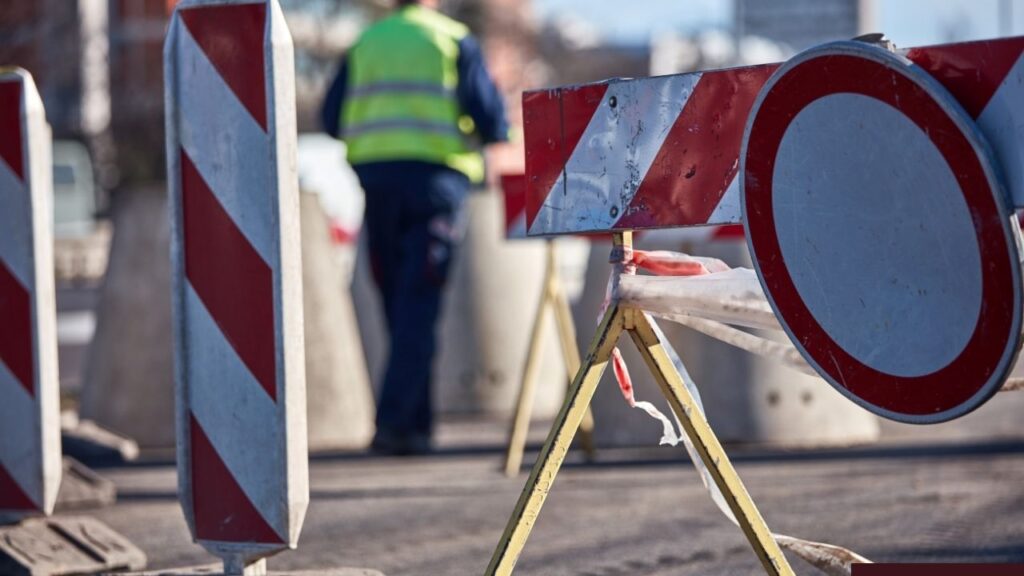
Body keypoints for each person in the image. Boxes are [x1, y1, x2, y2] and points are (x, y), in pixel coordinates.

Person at [322, 0, 509, 455]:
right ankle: (395, 423)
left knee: (397, 304)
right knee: (418, 303)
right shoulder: (451, 39)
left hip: (378, 183)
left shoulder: (367, 42)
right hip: (435, 184)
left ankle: (414, 425)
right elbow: (491, 119)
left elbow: (331, 119)